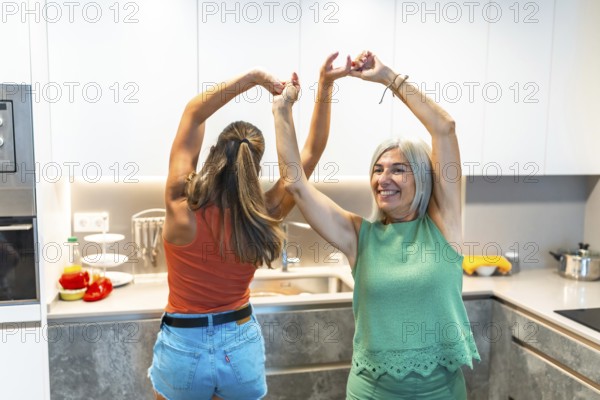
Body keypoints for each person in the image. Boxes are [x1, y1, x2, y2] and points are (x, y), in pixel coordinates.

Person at [273, 50, 480, 399]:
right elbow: (296, 184)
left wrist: (387, 78)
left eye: (398, 169)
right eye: (378, 169)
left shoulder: (444, 226)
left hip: (440, 392)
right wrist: (281, 110)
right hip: (372, 392)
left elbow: (444, 127)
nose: (384, 178)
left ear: (422, 178)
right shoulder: (359, 237)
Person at [148, 53, 351, 400]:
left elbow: (193, 113)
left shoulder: (179, 203)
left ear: (212, 152)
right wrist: (325, 84)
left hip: (183, 345)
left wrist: (254, 78)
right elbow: (312, 151)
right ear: (254, 167)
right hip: (238, 346)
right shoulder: (264, 212)